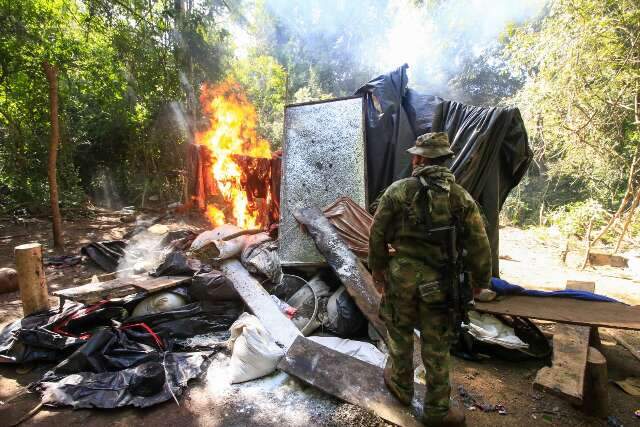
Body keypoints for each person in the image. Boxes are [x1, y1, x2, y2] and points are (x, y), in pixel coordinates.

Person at [368, 132, 493, 427]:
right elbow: (479, 243)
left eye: (416, 155)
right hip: (441, 283)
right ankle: (437, 410)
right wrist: (480, 280)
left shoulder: (397, 191)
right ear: (445, 159)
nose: (413, 158)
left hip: (401, 280)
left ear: (420, 158)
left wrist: (378, 271)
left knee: (399, 335)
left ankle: (401, 386)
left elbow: (377, 234)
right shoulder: (461, 198)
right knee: (437, 346)